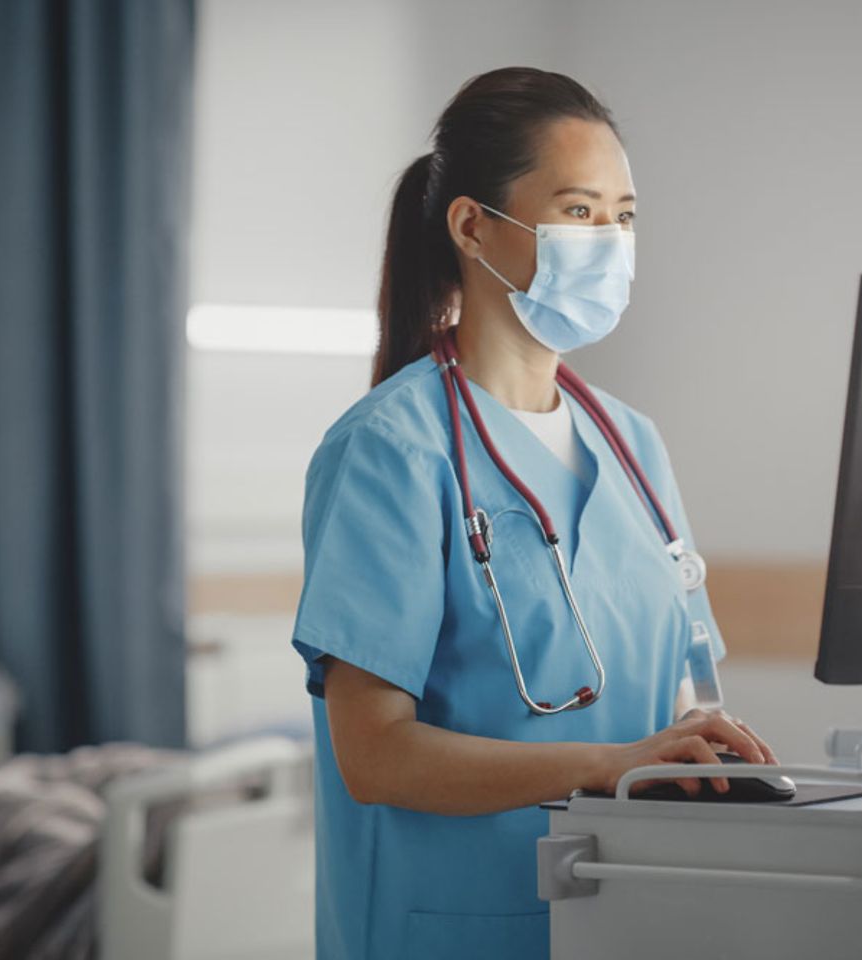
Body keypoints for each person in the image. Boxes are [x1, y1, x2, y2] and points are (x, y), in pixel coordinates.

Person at [291, 66, 776, 960]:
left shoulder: (633, 445)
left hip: (623, 917)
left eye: (625, 217)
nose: (612, 242)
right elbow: (373, 755)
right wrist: (606, 764)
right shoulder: (392, 451)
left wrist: (709, 753)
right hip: (449, 929)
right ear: (474, 225)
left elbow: (684, 694)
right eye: (581, 212)